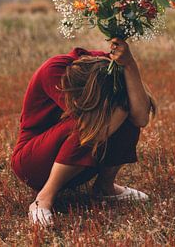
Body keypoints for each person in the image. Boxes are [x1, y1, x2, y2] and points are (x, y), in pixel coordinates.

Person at [11, 38, 157, 227]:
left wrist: (129, 64)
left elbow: (141, 118)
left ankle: (105, 188)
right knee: (88, 122)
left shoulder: (108, 65)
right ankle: (43, 199)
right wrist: (121, 105)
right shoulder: (54, 71)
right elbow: (89, 126)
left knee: (125, 113)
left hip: (78, 161)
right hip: (33, 163)